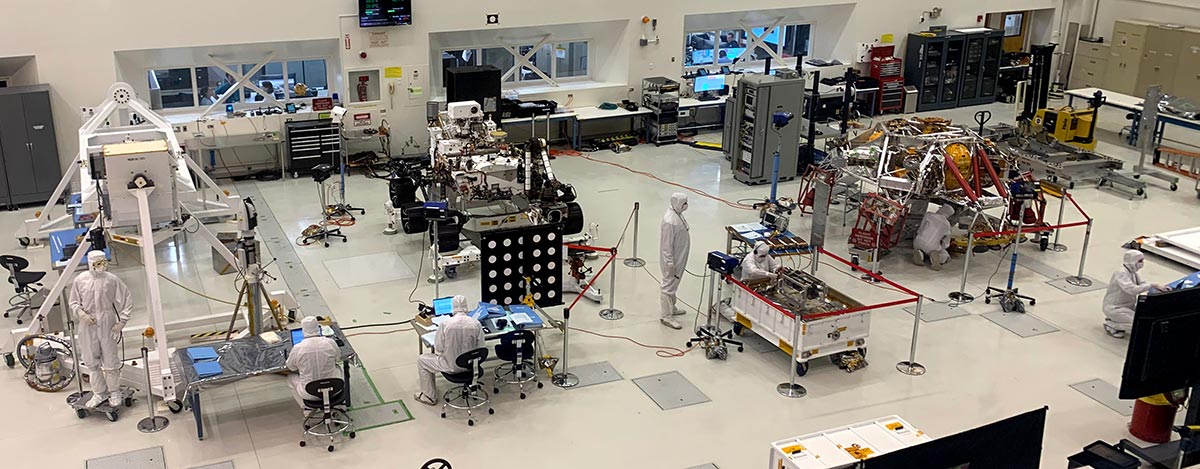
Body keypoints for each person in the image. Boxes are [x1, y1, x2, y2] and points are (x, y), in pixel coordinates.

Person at [69, 250, 132, 409]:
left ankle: (114, 391)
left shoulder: (111, 280)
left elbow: (127, 298)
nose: (101, 267)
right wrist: (82, 314)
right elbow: (73, 302)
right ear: (90, 264)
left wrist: (121, 322)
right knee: (91, 361)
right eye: (98, 263)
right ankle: (99, 393)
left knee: (110, 360)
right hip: (87, 324)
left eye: (104, 263)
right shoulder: (81, 280)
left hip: (107, 322)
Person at [415, 295, 485, 406]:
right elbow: (481, 347)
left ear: (453, 307)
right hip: (471, 366)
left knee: (422, 360)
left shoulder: (445, 324)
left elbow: (438, 348)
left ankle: (429, 396)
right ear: (466, 306)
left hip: (450, 366)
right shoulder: (476, 324)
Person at [1102, 250, 1171, 338]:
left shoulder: (1133, 273)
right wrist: (1152, 285)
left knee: (1144, 317)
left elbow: (1142, 283)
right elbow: (1131, 290)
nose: (1142, 263)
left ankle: (1116, 320)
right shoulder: (1120, 273)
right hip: (1115, 308)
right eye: (1140, 261)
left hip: (1127, 306)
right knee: (1138, 324)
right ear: (1132, 261)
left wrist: (1159, 288)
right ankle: (1112, 324)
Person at [286, 316, 340, 410]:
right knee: (338, 367)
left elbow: (291, 367)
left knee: (290, 377)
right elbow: (337, 358)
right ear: (318, 327)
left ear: (303, 330)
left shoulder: (298, 348)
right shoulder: (330, 343)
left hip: (309, 393)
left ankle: (307, 409)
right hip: (334, 389)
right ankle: (340, 404)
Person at [659, 193, 691, 330]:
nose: (686, 206)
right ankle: (666, 316)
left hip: (679, 257)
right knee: (668, 286)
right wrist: (669, 263)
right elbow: (666, 245)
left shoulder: (677, 214)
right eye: (684, 203)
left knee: (674, 283)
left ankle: (672, 308)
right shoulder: (669, 221)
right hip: (672, 261)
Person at [912, 204, 955, 271]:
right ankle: (938, 257)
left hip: (918, 242)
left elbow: (920, 229)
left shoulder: (929, 215)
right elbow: (946, 244)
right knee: (944, 254)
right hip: (932, 247)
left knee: (922, 246)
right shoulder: (947, 225)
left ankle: (920, 253)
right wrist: (942, 247)